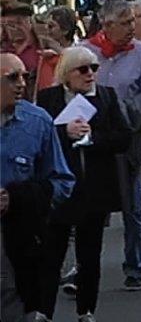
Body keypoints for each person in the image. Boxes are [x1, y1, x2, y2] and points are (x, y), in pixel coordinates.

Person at [34, 47, 132, 322]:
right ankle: (44, 310)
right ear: (67, 73)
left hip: (94, 188)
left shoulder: (107, 97)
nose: (90, 74)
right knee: (51, 253)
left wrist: (93, 138)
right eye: (84, 69)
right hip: (59, 188)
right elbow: (38, 134)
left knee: (90, 255)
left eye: (94, 68)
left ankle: (86, 310)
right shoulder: (48, 98)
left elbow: (123, 137)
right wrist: (63, 132)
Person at [78, 0, 141, 291]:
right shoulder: (85, 51)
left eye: (133, 22)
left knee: (131, 203)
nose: (131, 28)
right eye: (125, 22)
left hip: (127, 138)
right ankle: (84, 267)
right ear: (107, 25)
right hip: (92, 137)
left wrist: (125, 110)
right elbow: (72, 88)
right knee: (89, 204)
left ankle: (135, 265)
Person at [0, 53, 75, 320]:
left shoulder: (38, 122)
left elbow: (62, 181)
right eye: (12, 78)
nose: (21, 83)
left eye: (25, 77)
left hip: (18, 237)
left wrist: (20, 199)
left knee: (14, 300)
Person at [1, 1, 60, 97]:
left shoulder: (46, 45)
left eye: (19, 23)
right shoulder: (4, 49)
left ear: (30, 22)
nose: (15, 28)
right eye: (9, 24)